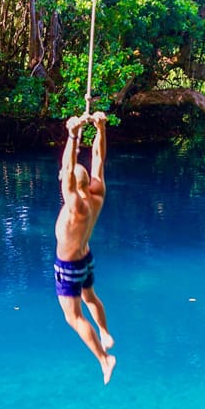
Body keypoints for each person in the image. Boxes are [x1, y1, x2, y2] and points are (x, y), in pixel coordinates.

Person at [54, 111, 116, 384]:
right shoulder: (96, 193)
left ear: (68, 185)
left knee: (74, 317)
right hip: (86, 258)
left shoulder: (74, 206)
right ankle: (104, 331)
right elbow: (99, 159)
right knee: (90, 297)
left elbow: (68, 170)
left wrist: (73, 134)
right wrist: (100, 129)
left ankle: (104, 358)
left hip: (69, 267)